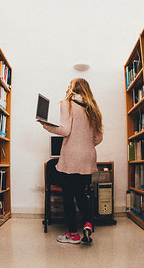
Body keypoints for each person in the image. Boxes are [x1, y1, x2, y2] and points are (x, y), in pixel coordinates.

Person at [39, 78, 103, 244]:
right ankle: (88, 224)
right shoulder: (93, 108)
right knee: (81, 193)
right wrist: (85, 144)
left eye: (69, 87)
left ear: (75, 89)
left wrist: (45, 124)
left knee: (68, 195)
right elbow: (98, 137)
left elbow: (65, 130)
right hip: (88, 157)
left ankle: (73, 234)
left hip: (72, 157)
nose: (67, 90)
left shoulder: (67, 104)